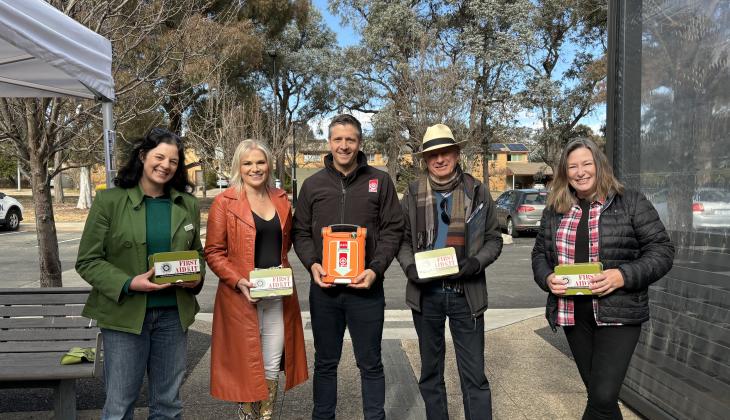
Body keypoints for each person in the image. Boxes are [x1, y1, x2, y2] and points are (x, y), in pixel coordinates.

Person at [531, 138, 675, 420]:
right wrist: (547, 278)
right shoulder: (555, 210)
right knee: (601, 399)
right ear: (565, 172)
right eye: (572, 166)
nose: (580, 172)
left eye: (586, 163)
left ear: (599, 165)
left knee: (603, 395)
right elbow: (539, 255)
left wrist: (622, 275)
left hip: (618, 314)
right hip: (573, 315)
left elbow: (662, 251)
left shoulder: (629, 202)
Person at [75, 127, 205, 419]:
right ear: (143, 156)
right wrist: (128, 282)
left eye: (173, 161)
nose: (166, 165)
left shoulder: (187, 205)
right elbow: (88, 260)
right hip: (125, 317)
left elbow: (197, 253)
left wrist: (196, 276)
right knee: (120, 406)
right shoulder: (110, 201)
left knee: (168, 406)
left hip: (173, 316)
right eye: (159, 157)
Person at [292, 114, 403, 420]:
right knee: (326, 363)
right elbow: (300, 231)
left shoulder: (379, 182)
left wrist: (376, 269)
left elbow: (394, 229)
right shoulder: (312, 185)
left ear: (359, 143)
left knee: (370, 363)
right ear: (329, 143)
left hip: (366, 290)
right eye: (338, 139)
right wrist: (312, 265)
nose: (344, 146)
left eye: (350, 140)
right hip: (324, 291)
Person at [396, 124, 503, 420]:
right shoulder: (413, 193)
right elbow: (401, 239)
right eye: (433, 155)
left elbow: (494, 238)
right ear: (425, 160)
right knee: (431, 372)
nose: (440, 159)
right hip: (426, 295)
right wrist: (409, 267)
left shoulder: (477, 191)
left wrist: (476, 263)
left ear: (457, 154)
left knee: (474, 375)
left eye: (446, 152)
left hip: (464, 295)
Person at [205, 140, 307, 420]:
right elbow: (213, 252)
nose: (254, 168)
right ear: (239, 166)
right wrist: (238, 281)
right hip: (241, 297)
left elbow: (285, 245)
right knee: (248, 365)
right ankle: (246, 416)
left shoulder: (281, 199)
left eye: (260, 162)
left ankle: (265, 416)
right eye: (248, 163)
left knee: (272, 365)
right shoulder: (224, 202)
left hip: (277, 294)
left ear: (269, 165)